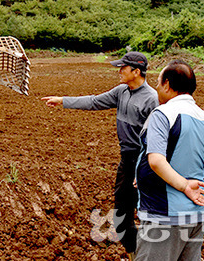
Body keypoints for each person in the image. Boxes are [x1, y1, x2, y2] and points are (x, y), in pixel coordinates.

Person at [42, 51, 159, 257]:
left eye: (123, 68)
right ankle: (137, 254)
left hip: (145, 161)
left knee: (149, 214)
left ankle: (153, 254)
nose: (119, 71)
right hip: (127, 161)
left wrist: (144, 171)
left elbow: (156, 140)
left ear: (136, 71)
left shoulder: (152, 100)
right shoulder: (122, 91)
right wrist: (63, 100)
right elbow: (95, 101)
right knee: (121, 217)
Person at [135, 60, 204, 261]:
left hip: (164, 216)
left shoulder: (163, 114)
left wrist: (184, 186)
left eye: (158, 82)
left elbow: (156, 159)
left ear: (166, 84)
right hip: (195, 218)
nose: (156, 88)